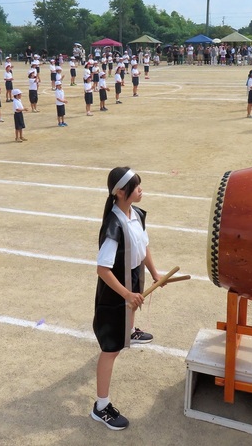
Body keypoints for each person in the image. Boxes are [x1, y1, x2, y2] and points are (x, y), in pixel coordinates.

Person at [91, 167, 162, 431]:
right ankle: (101, 406)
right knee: (110, 350)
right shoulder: (113, 224)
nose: (141, 189)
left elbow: (143, 246)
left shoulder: (138, 214)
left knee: (130, 314)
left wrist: (155, 273)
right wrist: (126, 294)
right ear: (121, 193)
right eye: (136, 186)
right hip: (115, 291)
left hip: (131, 275)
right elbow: (103, 269)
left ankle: (130, 330)